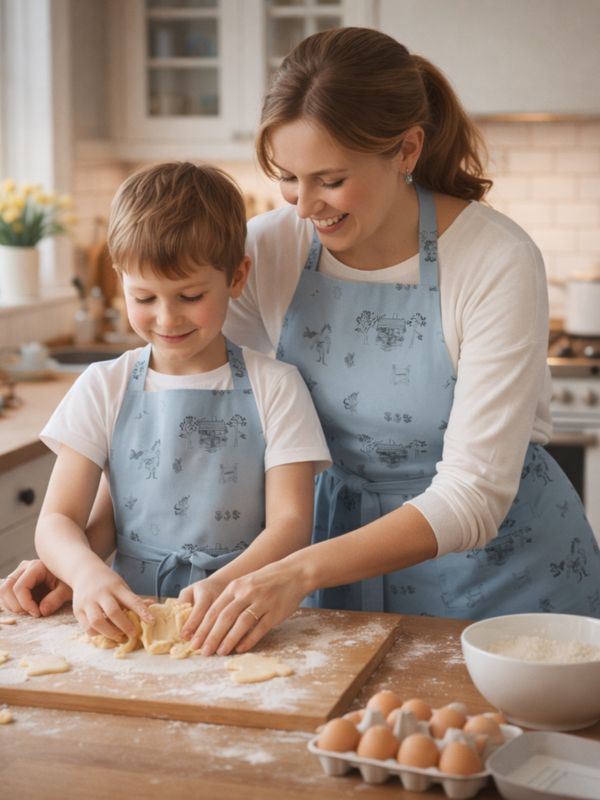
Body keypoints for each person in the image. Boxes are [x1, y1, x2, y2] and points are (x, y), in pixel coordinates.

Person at [4, 27, 600, 655]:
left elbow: (473, 495)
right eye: (288, 176)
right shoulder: (270, 248)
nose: (306, 205)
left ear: (406, 150)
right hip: (326, 573)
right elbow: (194, 402)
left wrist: (297, 571)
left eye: (330, 180)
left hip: (496, 583)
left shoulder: (494, 259)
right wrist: (83, 557)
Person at [18, 161, 330, 645]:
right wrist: (85, 573)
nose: (167, 318)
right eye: (144, 297)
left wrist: (225, 585)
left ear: (237, 277)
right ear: (120, 280)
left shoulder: (276, 386)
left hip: (243, 615)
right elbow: (59, 519)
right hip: (130, 622)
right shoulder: (104, 386)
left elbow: (290, 524)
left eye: (189, 295)